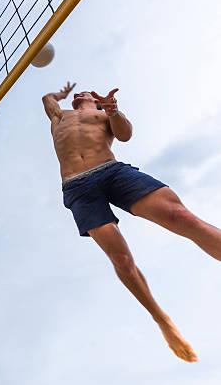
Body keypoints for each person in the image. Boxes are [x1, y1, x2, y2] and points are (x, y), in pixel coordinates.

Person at [42, 81, 221, 363]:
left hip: (111, 171)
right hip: (77, 186)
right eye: (78, 93)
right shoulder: (59, 116)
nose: (81, 93)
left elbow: (124, 135)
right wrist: (61, 94)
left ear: (98, 102)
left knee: (182, 217)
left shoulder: (104, 114)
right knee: (122, 259)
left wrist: (113, 111)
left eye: (86, 92)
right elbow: (47, 98)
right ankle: (162, 320)